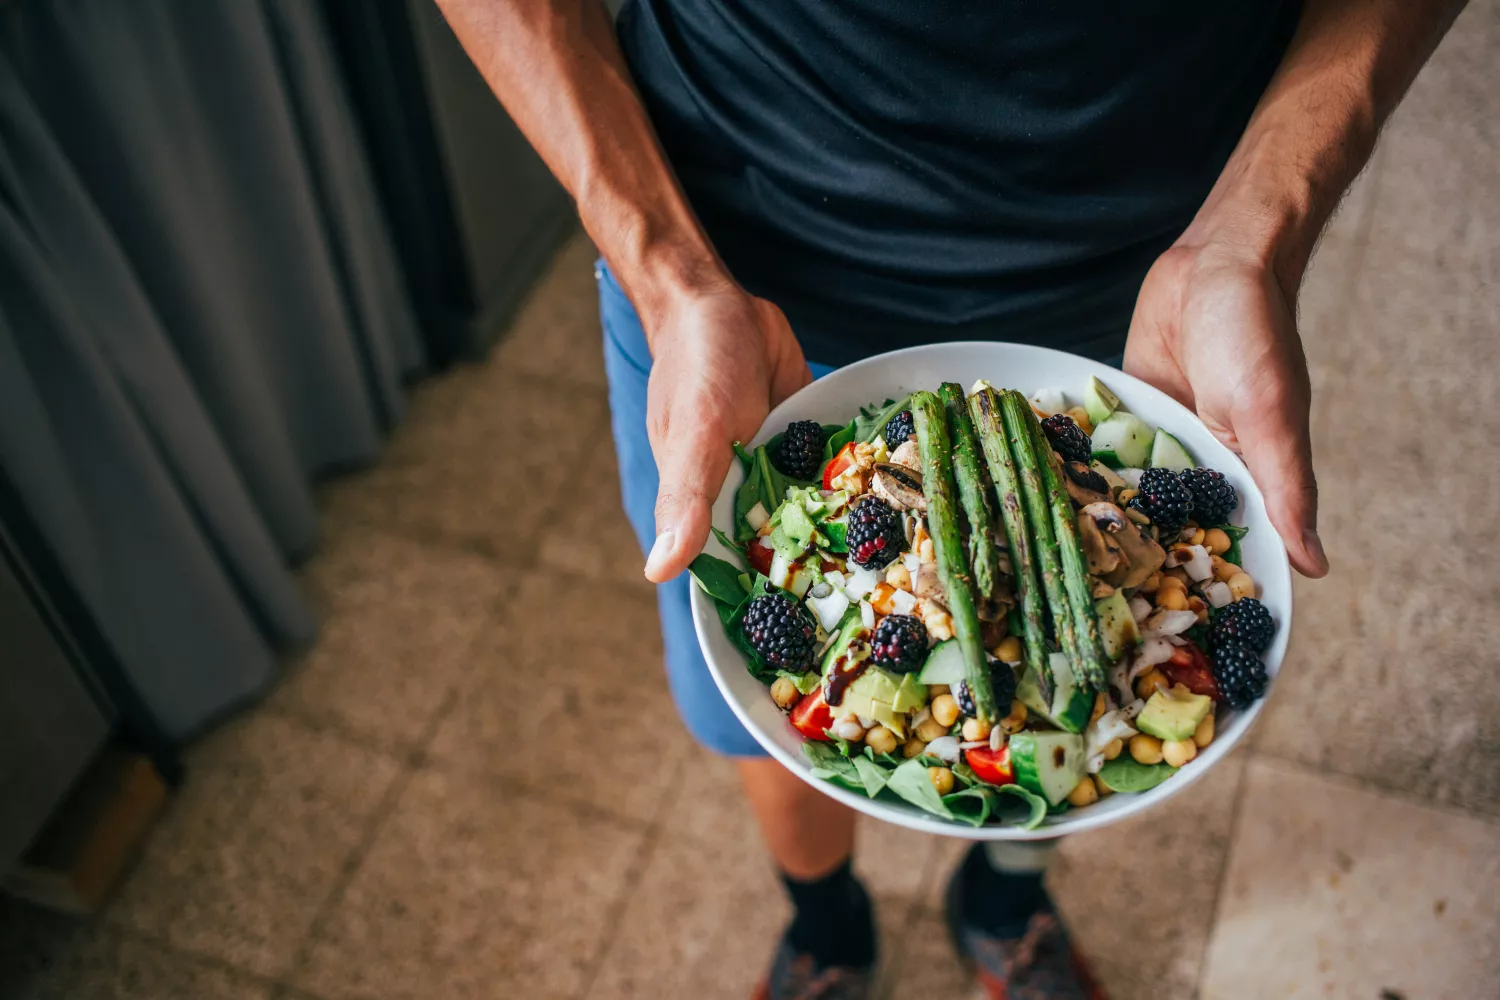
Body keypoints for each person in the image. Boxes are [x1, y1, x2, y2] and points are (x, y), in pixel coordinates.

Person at [434, 1, 1464, 996]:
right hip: (723, 266)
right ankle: (825, 921)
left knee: (1080, 685)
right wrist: (667, 272)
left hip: (1147, 281)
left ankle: (1008, 904)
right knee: (752, 710)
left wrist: (1256, 228)